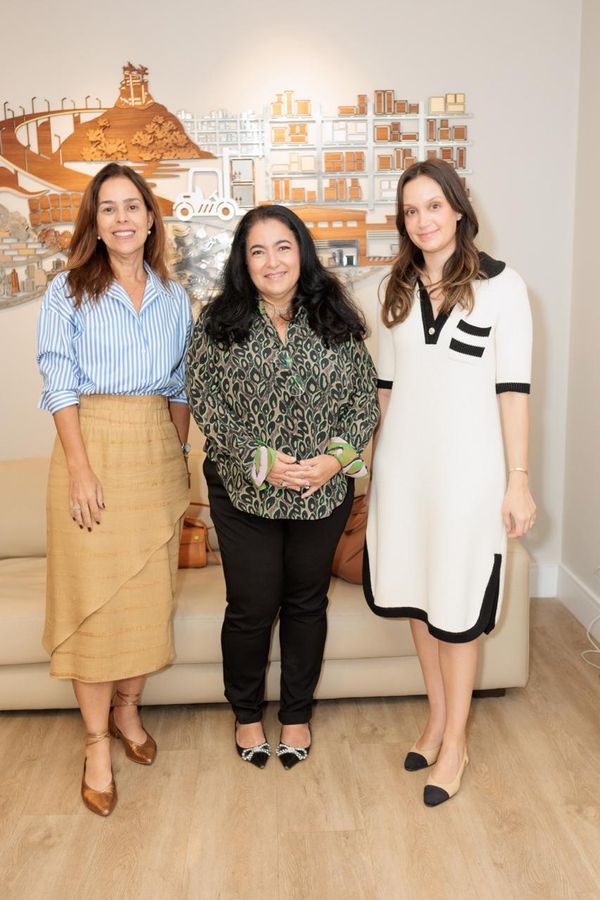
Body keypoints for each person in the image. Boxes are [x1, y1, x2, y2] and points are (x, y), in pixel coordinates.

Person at [364, 159, 536, 806]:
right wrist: (365, 468)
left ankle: (456, 742)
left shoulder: (503, 287)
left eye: (434, 206)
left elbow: (514, 393)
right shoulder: (397, 289)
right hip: (403, 475)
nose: (423, 220)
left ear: (458, 209)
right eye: (411, 211)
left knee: (459, 611)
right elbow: (386, 390)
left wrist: (518, 480)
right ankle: (436, 717)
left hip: (470, 476)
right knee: (417, 597)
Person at [187, 204, 378, 768]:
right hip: (244, 493)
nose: (272, 261)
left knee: (305, 605)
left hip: (321, 492)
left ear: (302, 252)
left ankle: (296, 714)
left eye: (283, 246)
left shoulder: (336, 318)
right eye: (258, 250)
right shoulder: (217, 323)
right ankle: (247, 716)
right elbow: (206, 403)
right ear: (243, 263)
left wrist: (334, 461)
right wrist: (259, 459)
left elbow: (363, 403)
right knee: (250, 607)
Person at [37, 163, 192, 816]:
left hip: (155, 449)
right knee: (96, 604)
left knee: (145, 598)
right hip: (91, 448)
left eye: (134, 206)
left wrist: (179, 459)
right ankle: (96, 741)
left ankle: (129, 712)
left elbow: (181, 386)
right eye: (108, 208)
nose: (123, 218)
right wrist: (80, 467)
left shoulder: (175, 296)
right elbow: (59, 381)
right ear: (94, 223)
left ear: (151, 219)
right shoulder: (66, 291)